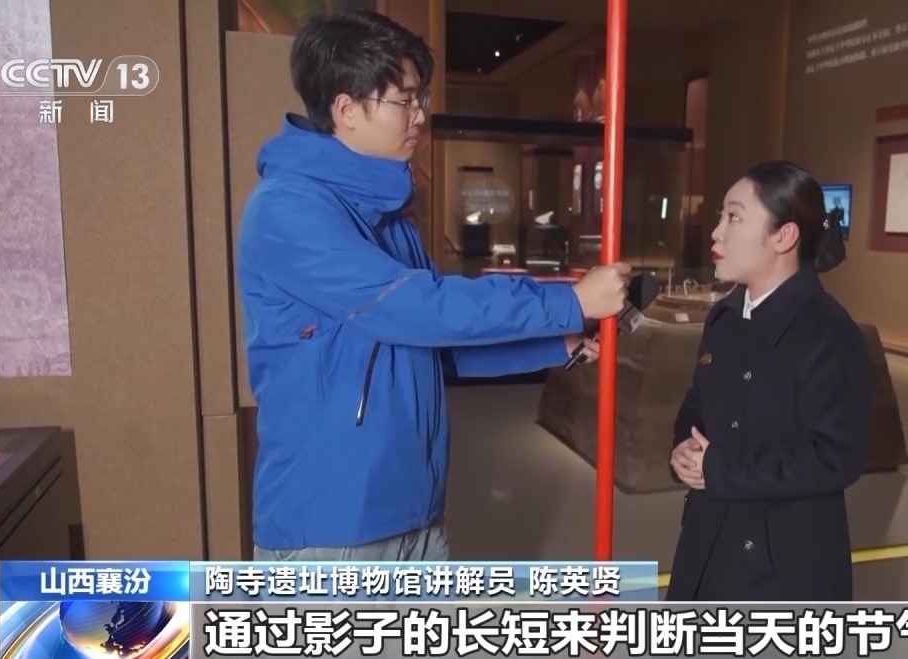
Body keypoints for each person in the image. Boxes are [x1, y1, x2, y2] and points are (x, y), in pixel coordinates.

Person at [236, 11, 629, 563]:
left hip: (414, 508)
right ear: (346, 109)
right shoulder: (289, 210)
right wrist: (570, 301)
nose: (420, 115)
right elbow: (416, 309)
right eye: (406, 100)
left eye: (420, 98)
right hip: (331, 524)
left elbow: (432, 345)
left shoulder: (387, 215)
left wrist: (552, 343)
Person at [666, 161, 873, 601]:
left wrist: (718, 468)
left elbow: (835, 456)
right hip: (706, 537)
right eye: (721, 216)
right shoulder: (724, 317)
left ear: (784, 236)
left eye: (734, 217)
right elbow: (698, 403)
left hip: (782, 566)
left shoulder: (828, 333)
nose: (716, 233)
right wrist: (684, 445)